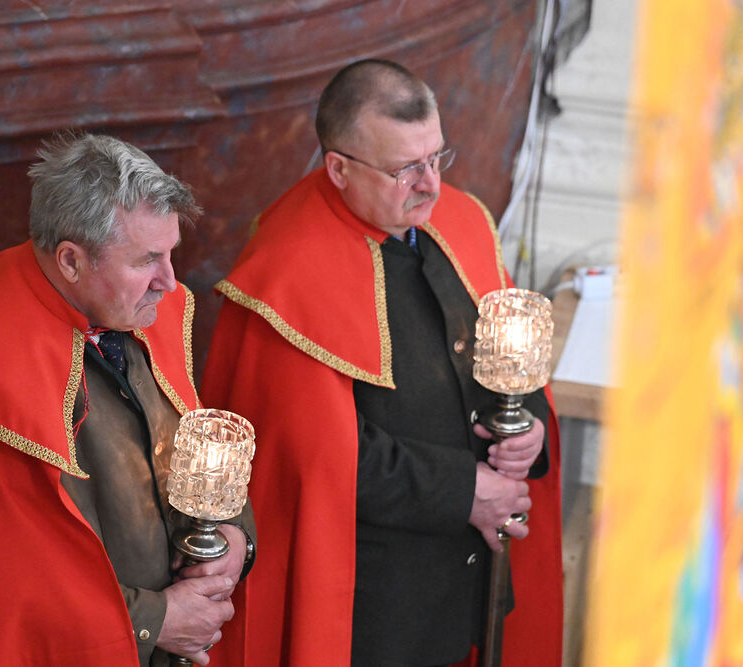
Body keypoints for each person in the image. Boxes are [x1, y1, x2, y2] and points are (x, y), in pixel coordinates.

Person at [201, 59, 561, 666]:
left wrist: (530, 428)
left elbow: (510, 354)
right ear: (339, 168)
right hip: (376, 609)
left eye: (436, 158)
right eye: (405, 169)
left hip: (474, 576)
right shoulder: (289, 271)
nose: (431, 185)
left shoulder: (461, 220)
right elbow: (320, 455)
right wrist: (465, 491)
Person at [0, 133, 255, 666]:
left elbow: (189, 450)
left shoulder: (137, 310)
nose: (169, 281)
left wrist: (233, 538)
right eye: (146, 260)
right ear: (70, 260)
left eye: (170, 253)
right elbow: (7, 588)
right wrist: (155, 620)